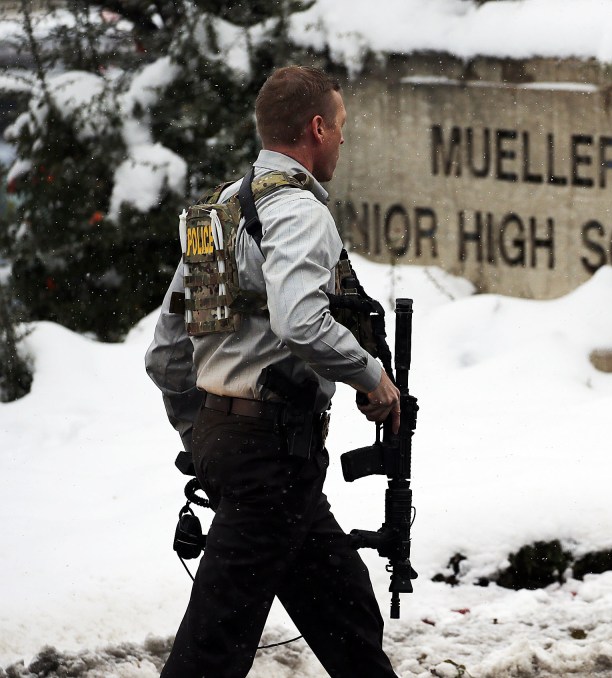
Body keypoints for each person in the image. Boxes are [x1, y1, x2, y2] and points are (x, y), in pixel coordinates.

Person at [144, 65, 400, 678]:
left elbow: (167, 354)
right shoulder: (300, 212)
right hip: (271, 457)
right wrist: (372, 376)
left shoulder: (222, 212)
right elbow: (301, 322)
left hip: (247, 449)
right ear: (316, 128)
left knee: (345, 610)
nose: (341, 140)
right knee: (212, 648)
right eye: (339, 127)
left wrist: (204, 431)